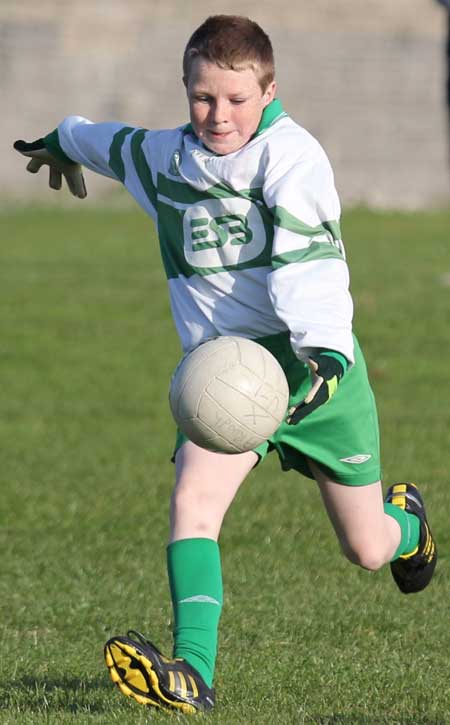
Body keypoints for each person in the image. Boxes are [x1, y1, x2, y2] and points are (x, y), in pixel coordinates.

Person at [14, 15, 437, 716]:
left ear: (268, 89)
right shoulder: (164, 156)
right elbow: (99, 138)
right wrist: (59, 143)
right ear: (185, 87)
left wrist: (326, 355)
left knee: (365, 547)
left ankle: (410, 524)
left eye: (237, 100)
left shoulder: (291, 157)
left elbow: (315, 262)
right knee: (193, 499)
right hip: (221, 376)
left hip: (311, 364)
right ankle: (193, 673)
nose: (218, 115)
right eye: (203, 97)